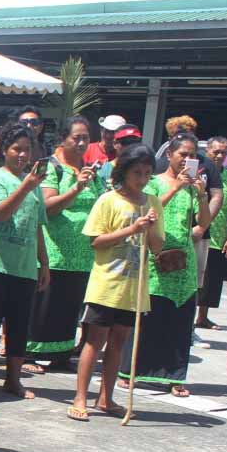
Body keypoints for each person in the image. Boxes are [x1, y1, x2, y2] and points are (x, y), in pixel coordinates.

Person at [69, 146, 165, 422]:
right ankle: (80, 397)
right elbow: (96, 241)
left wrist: (150, 228)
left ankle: (106, 397)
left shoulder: (153, 203)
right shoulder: (108, 200)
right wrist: (132, 229)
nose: (142, 179)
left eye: (147, 173)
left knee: (119, 342)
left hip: (134, 287)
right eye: (137, 173)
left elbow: (157, 247)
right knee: (94, 341)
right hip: (107, 284)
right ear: (124, 171)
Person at [119, 135, 210, 397]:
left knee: (180, 318)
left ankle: (174, 375)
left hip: (182, 259)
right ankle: (132, 371)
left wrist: (202, 195)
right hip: (155, 255)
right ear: (169, 155)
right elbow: (151, 211)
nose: (187, 159)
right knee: (150, 315)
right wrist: (176, 187)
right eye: (183, 154)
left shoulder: (192, 187)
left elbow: (203, 222)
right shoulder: (154, 183)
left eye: (192, 155)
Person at [26, 116, 108, 371]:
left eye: (86, 138)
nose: (82, 143)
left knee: (69, 307)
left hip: (83, 255)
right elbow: (47, 207)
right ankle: (30, 355)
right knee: (46, 306)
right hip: (55, 252)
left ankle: (61, 354)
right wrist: (76, 189)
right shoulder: (51, 167)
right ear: (63, 139)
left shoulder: (90, 169)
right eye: (76, 138)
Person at [0, 123, 50, 399]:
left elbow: (38, 225)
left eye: (27, 149)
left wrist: (43, 263)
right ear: (4, 150)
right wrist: (26, 187)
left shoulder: (34, 184)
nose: (22, 154)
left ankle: (13, 380)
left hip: (25, 267)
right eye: (16, 149)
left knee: (19, 325)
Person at [197, 136, 227, 329]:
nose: (219, 155)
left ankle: (203, 317)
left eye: (223, 152)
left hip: (219, 235)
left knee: (212, 279)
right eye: (216, 151)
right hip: (199, 233)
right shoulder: (200, 173)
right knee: (196, 277)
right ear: (207, 151)